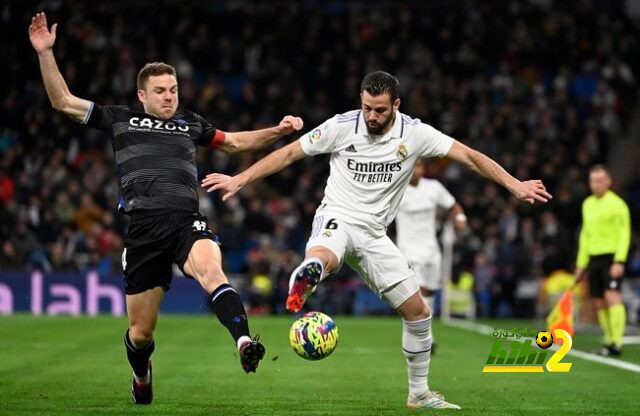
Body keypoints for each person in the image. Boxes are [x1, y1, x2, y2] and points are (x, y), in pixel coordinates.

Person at [203, 71, 551, 410]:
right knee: (326, 253)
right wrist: (241, 179)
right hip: (338, 216)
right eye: (367, 107)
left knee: (418, 313)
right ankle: (311, 273)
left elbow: (470, 156)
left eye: (380, 110)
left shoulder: (416, 133)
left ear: (396, 105)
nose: (371, 115)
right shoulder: (341, 125)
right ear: (360, 100)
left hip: (375, 235)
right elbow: (291, 153)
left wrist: (514, 184)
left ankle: (419, 395)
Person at [28, 12, 304, 405]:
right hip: (143, 229)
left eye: (173, 89)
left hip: (185, 221)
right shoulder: (118, 118)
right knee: (140, 334)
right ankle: (141, 375)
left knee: (212, 269)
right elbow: (63, 101)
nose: (170, 96)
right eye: (161, 91)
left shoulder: (190, 123)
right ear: (142, 94)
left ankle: (244, 340)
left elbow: (236, 144)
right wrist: (45, 54)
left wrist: (277, 131)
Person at [395, 158, 467, 316]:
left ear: (423, 169)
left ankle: (425, 327)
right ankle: (422, 331)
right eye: (412, 167)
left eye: (418, 166)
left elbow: (453, 205)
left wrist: (459, 218)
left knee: (431, 290)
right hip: (408, 248)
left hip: (430, 247)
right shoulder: (397, 189)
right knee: (419, 289)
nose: (415, 170)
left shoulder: (433, 187)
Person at [574, 165, 631, 356]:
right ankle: (608, 340)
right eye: (593, 181)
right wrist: (581, 264)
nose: (596, 185)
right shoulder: (587, 204)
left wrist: (620, 261)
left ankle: (617, 341)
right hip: (593, 258)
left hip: (611, 257)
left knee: (612, 295)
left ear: (609, 181)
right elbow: (585, 235)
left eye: (600, 180)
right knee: (598, 301)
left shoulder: (618, 204)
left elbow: (625, 233)